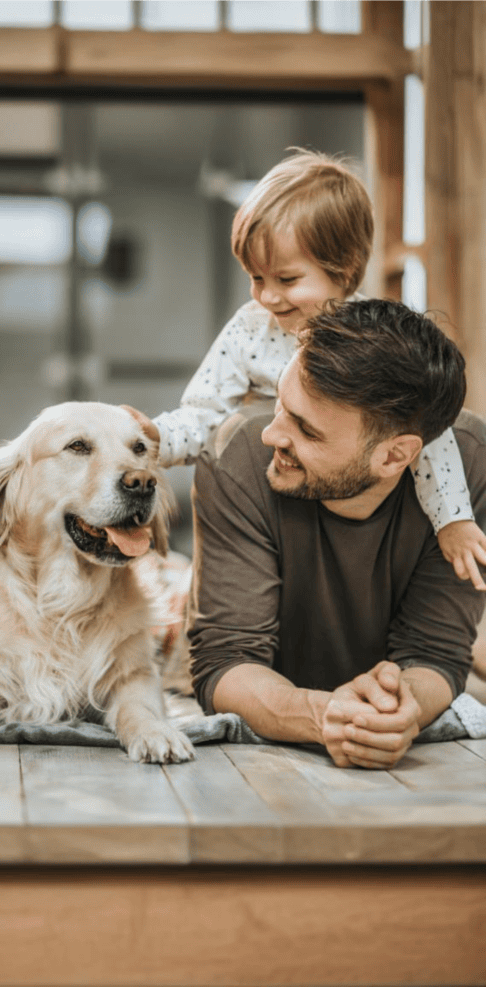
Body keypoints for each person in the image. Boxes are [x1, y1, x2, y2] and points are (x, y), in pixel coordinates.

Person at [154, 149, 486, 589]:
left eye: (286, 280)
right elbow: (203, 412)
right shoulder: (251, 330)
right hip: (282, 506)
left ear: (344, 270)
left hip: (358, 510)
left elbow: (429, 437)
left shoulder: (378, 341)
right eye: (256, 278)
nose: (267, 297)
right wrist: (150, 441)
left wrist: (453, 521)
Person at [189, 298, 486, 768]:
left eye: (305, 430)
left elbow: (435, 652)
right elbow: (224, 660)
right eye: (281, 407)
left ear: (394, 456)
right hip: (277, 737)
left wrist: (398, 711)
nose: (273, 436)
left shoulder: (471, 469)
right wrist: (324, 714)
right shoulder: (238, 459)